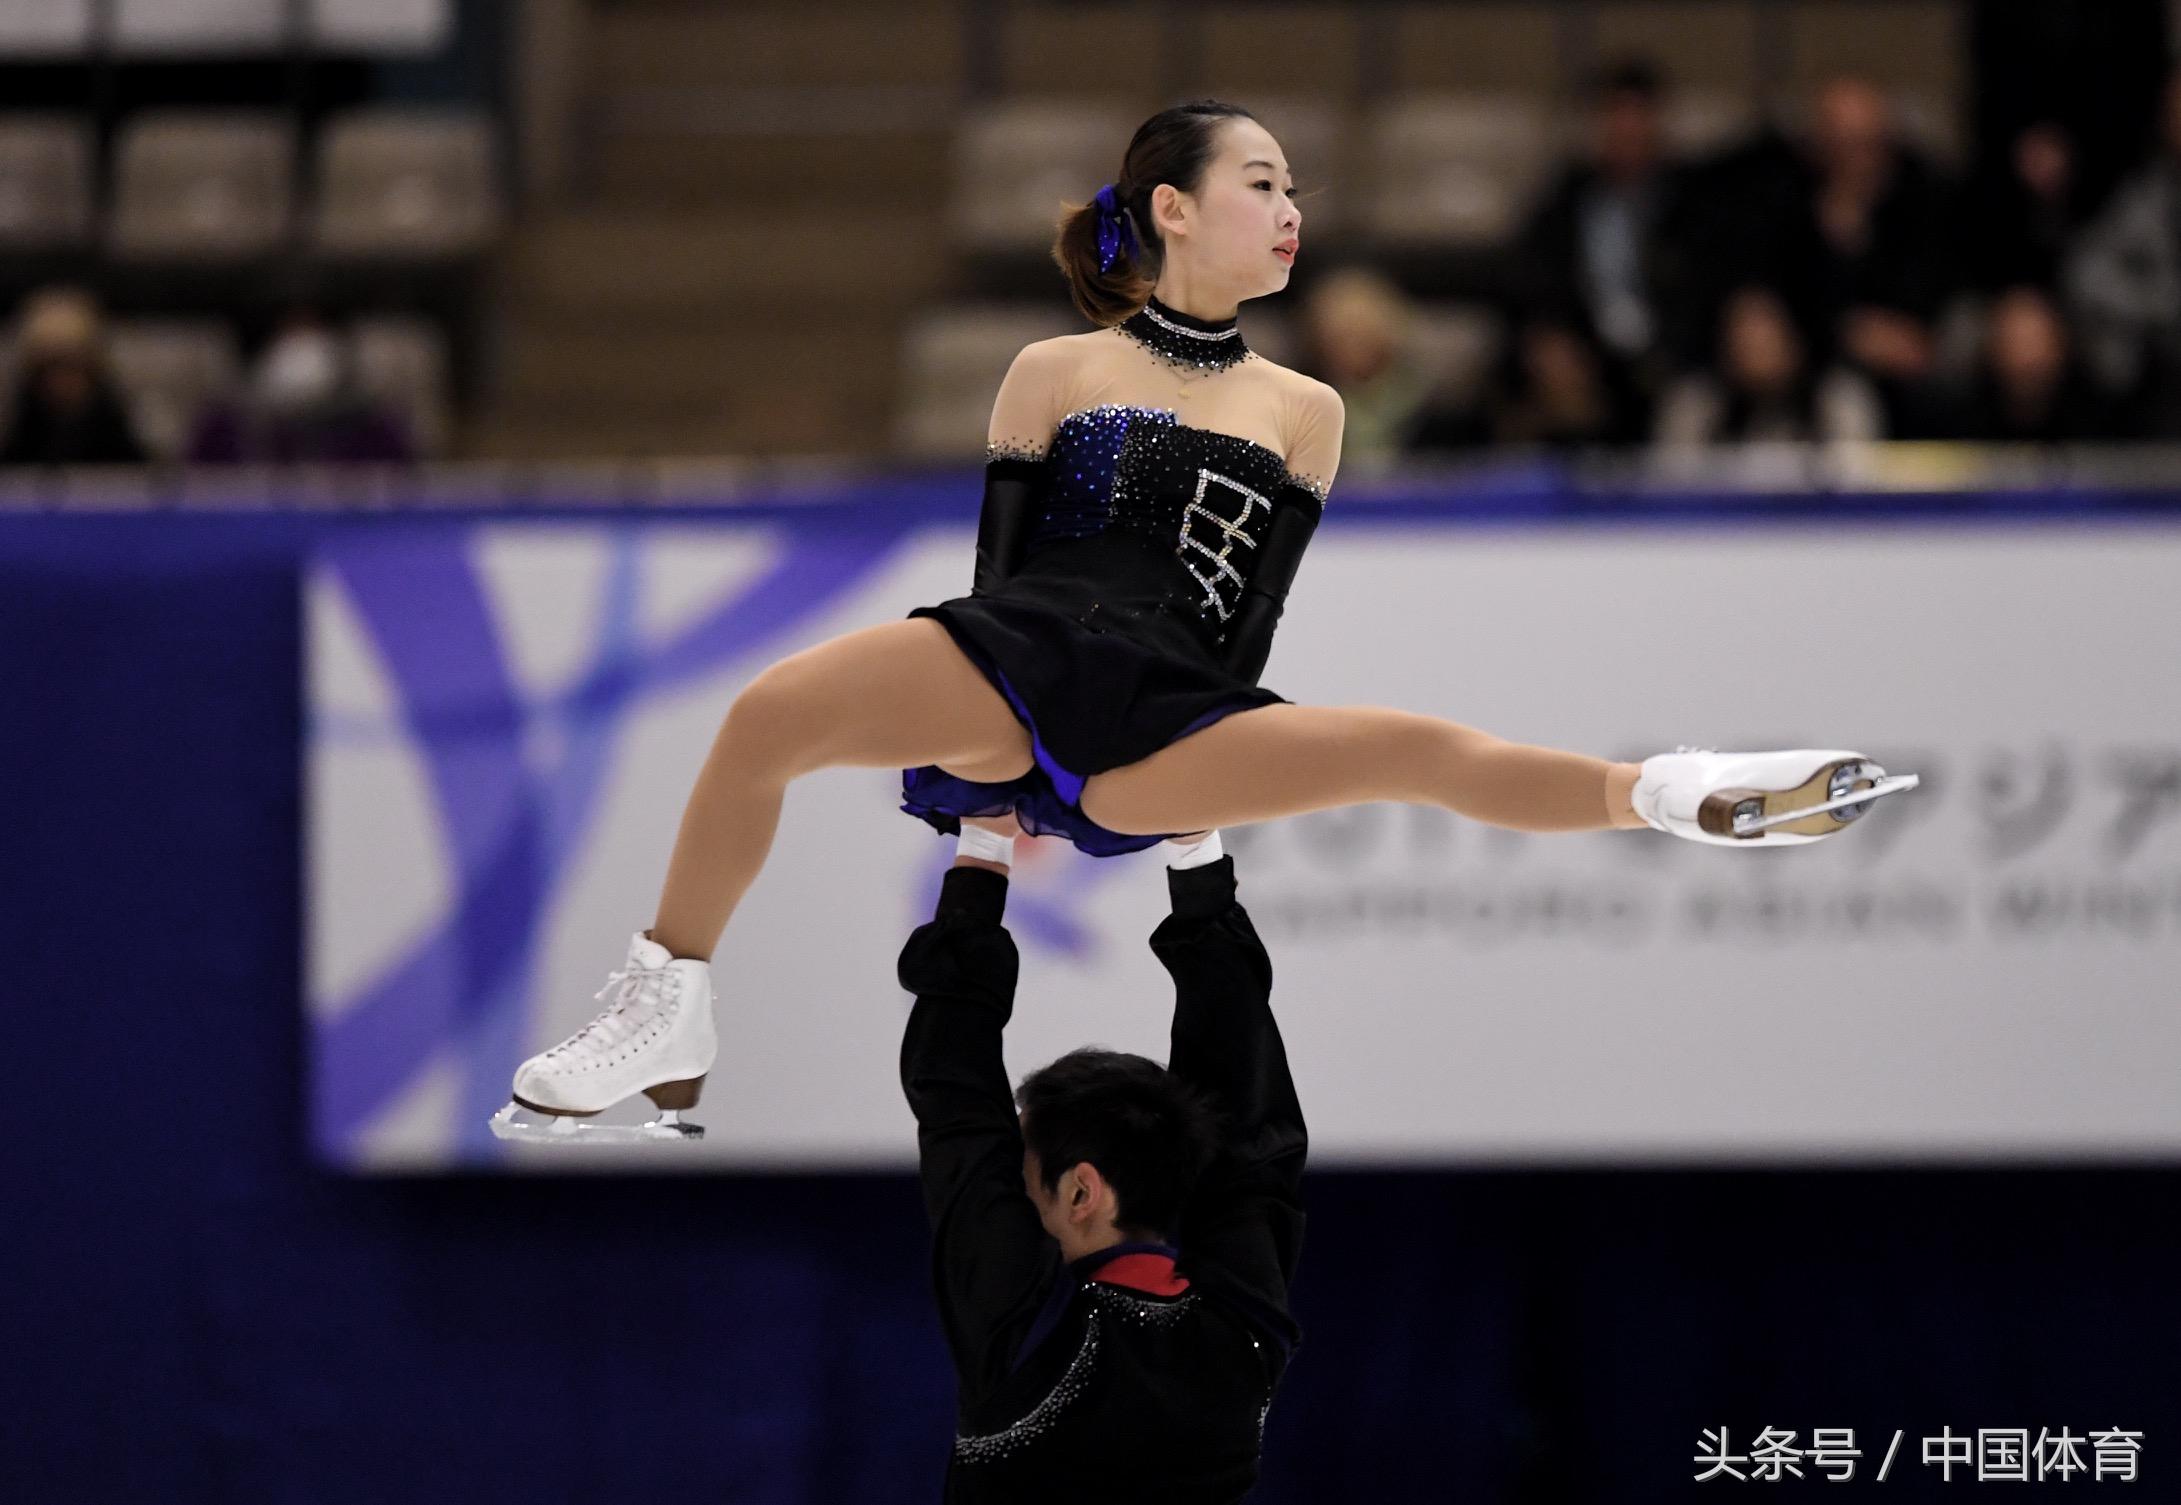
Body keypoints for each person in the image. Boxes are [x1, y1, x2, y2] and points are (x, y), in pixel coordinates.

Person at [489, 99, 1917, 1143]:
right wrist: (987, 801)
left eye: (1295, 186)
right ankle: (667, 995)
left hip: (1174, 708)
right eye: (1261, 181)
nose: (1292, 208)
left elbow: (1251, 623)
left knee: (1413, 746)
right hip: (1032, 651)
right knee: (769, 714)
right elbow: (1000, 591)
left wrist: (1197, 769)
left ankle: (1681, 793)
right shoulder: (1051, 371)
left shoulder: (1308, 410)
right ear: (1171, 206)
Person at [899, 820, 1302, 1500]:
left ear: (1082, 1191)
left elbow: (959, 1112)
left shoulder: (1035, 1332)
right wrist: (1193, 850)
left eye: (1018, 1175)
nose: (1008, 1195)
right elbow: (1247, 1144)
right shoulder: (1239, 1330)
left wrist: (988, 838)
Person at [1653, 285, 1884, 445]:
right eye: (1741, 338)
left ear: (1794, 339)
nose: (1753, 348)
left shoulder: (1839, 396)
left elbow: (1856, 484)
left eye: (1766, 338)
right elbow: (1673, 489)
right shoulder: (1694, 405)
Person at [0, 286, 148, 468]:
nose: (62, 381)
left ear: (92, 371)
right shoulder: (20, 434)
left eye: (73, 367)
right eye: (52, 368)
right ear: (34, 377)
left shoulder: (117, 434)